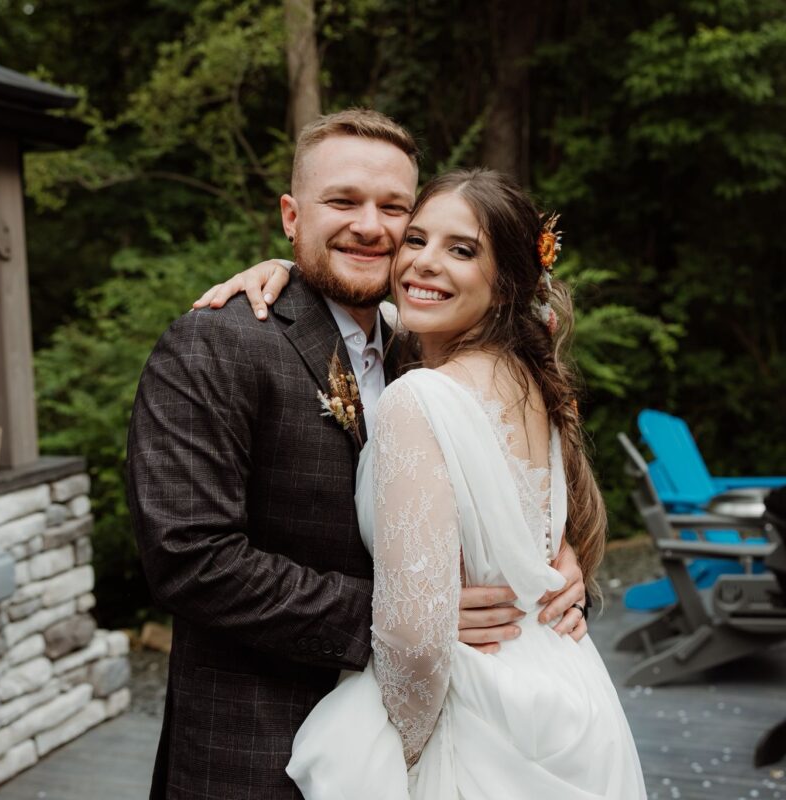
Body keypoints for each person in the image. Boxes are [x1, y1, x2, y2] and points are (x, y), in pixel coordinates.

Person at [127, 109, 588, 800]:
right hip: (257, 749)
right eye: (342, 201)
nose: (370, 226)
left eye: (394, 208)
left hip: (440, 744)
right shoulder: (214, 345)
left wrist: (559, 563)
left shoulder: (425, 348)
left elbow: (506, 489)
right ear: (292, 216)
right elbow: (190, 557)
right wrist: (405, 618)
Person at [208, 168, 646, 798]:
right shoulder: (532, 379)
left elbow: (415, 641)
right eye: (415, 240)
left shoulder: (420, 396)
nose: (424, 262)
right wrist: (285, 268)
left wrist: (406, 758)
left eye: (461, 250)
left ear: (506, 283)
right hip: (565, 692)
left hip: (471, 714)